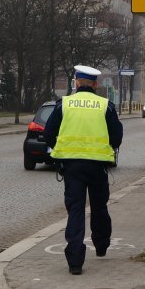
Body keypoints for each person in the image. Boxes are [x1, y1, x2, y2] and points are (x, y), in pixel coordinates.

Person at [44, 65, 123, 275]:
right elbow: (117, 137)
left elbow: (49, 133)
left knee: (76, 210)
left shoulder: (64, 104)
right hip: (98, 166)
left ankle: (75, 262)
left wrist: (59, 152)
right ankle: (101, 244)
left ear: (76, 83)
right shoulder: (105, 105)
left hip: (72, 166)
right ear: (96, 85)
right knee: (99, 206)